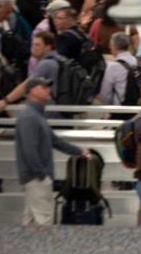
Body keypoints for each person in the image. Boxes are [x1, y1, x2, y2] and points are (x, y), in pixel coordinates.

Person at [13, 77, 89, 225]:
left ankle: (24, 247)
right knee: (44, 221)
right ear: (33, 91)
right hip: (36, 178)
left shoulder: (34, 115)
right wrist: (42, 174)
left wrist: (78, 151)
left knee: (29, 219)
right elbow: (30, 150)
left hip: (34, 177)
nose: (49, 89)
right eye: (44, 86)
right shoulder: (30, 117)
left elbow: (54, 141)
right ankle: (45, 248)